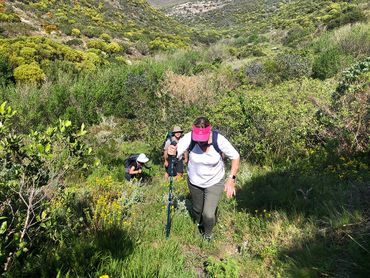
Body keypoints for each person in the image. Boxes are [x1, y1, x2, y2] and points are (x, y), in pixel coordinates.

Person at [167, 117, 240, 240]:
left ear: (209, 129)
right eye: (198, 139)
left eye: (203, 139)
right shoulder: (189, 137)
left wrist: (231, 179)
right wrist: (171, 152)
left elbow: (235, 156)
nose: (200, 142)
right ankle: (201, 222)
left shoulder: (219, 140)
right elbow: (175, 155)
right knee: (197, 210)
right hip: (194, 181)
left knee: (208, 213)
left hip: (214, 181)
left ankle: (208, 235)